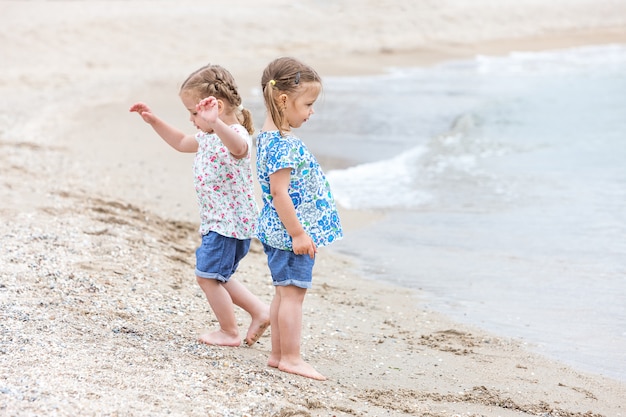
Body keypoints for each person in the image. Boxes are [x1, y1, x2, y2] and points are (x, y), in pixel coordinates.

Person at [129, 64, 270, 347]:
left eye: (195, 112)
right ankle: (259, 311)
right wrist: (154, 120)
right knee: (220, 276)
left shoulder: (236, 134)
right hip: (220, 223)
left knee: (207, 278)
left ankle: (229, 331)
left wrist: (215, 122)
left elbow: (239, 149)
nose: (193, 119)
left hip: (228, 225)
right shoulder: (207, 137)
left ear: (216, 107)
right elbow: (181, 142)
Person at [255, 57, 343, 380]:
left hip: (276, 232)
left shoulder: (267, 138)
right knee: (292, 294)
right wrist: (298, 234)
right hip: (288, 234)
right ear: (283, 100)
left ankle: (278, 354)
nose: (311, 112)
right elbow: (280, 194)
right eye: (307, 104)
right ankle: (291, 356)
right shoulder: (282, 145)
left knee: (283, 292)